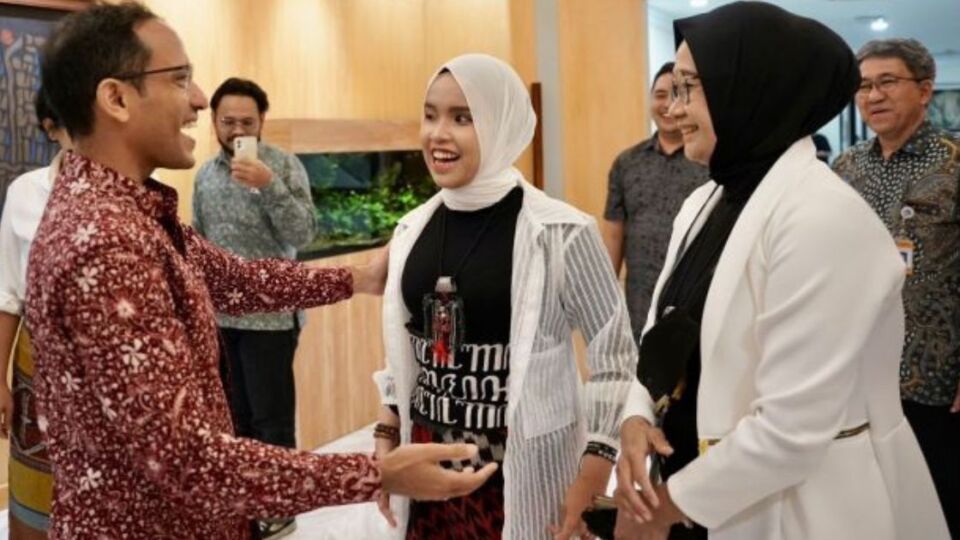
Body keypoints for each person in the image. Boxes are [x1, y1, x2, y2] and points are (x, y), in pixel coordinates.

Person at [26, 3, 496, 537]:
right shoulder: (105, 244)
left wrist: (357, 278)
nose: (201, 101)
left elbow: (236, 278)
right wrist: (378, 473)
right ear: (116, 98)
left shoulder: (134, 214)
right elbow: (187, 458)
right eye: (181, 80)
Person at [612, 3, 949, 539]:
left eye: (690, 88)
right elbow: (663, 331)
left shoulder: (822, 216)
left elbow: (791, 431)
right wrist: (634, 415)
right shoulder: (705, 200)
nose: (673, 110)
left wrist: (657, 509)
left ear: (751, 88)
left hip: (804, 509)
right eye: (672, 89)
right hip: (701, 494)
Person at [372, 53, 638, 539]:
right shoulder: (411, 229)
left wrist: (594, 471)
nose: (438, 134)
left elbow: (615, 356)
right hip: (429, 466)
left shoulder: (561, 232)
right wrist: (388, 439)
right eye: (430, 115)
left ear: (501, 124)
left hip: (517, 468)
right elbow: (404, 350)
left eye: (462, 117)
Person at [833, 37, 959, 538]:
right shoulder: (845, 168)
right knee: (870, 505)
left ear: (926, 90)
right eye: (863, 86)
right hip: (857, 372)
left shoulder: (953, 164)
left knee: (937, 505)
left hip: (934, 373)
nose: (873, 96)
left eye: (887, 82)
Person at [194, 77, 315, 538]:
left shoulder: (283, 166)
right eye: (228, 121)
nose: (237, 129)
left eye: (247, 121)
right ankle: (247, 503)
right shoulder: (205, 174)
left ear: (262, 121)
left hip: (271, 317)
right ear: (215, 123)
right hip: (221, 319)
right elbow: (199, 242)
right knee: (236, 418)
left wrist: (269, 186)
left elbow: (304, 233)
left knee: (272, 419)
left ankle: (280, 509)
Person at [0, 89, 71, 539]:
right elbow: (8, 292)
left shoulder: (137, 193)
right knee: (33, 501)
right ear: (51, 128)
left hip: (109, 379)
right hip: (37, 373)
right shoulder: (26, 191)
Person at [602, 61, 708, 345]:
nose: (668, 104)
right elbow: (613, 234)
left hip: (694, 304)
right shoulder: (627, 163)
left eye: (677, 93)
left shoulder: (708, 161)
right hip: (639, 304)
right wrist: (604, 303)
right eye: (660, 94)